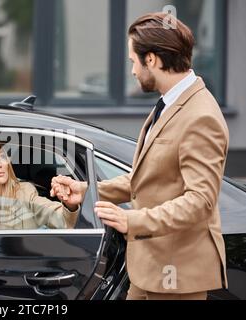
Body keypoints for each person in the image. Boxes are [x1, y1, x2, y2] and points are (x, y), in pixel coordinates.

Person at [51, 12, 229, 300]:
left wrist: (133, 221)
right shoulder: (170, 103)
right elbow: (148, 177)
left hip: (178, 276)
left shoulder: (200, 116)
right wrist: (88, 191)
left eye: (134, 61)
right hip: (147, 269)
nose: (133, 70)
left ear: (152, 60)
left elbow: (200, 201)